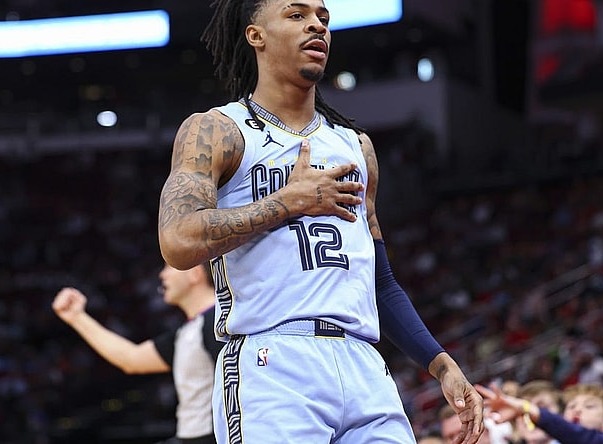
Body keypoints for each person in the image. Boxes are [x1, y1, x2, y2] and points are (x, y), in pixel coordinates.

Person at [156, 0, 484, 443]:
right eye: (296, 15)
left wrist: (440, 363)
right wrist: (288, 202)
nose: (316, 25)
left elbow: (380, 281)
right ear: (257, 36)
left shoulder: (356, 147)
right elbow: (177, 240)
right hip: (273, 363)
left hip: (363, 363)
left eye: (323, 18)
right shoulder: (218, 131)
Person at [52, 263, 221, 444]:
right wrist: (76, 317)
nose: (162, 275)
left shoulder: (218, 323)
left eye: (169, 267)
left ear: (195, 274)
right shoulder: (190, 329)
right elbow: (132, 359)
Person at [476, 382, 603, 444]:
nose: (577, 410)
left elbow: (583, 437)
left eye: (589, 406)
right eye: (572, 406)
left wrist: (527, 407)